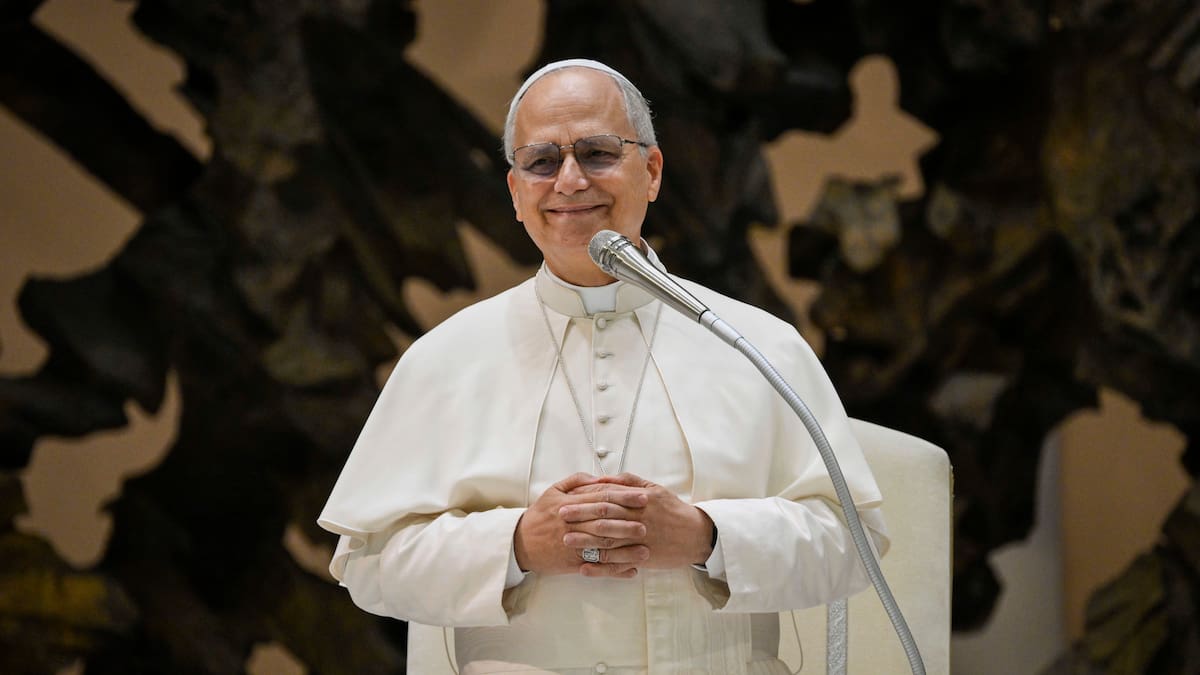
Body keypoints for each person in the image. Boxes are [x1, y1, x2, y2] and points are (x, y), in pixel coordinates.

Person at [318, 58, 888, 675]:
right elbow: (370, 565)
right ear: (515, 194)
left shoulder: (756, 344)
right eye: (541, 161)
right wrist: (515, 546)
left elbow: (852, 546)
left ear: (652, 171)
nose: (569, 181)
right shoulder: (445, 359)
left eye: (597, 153)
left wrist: (707, 536)